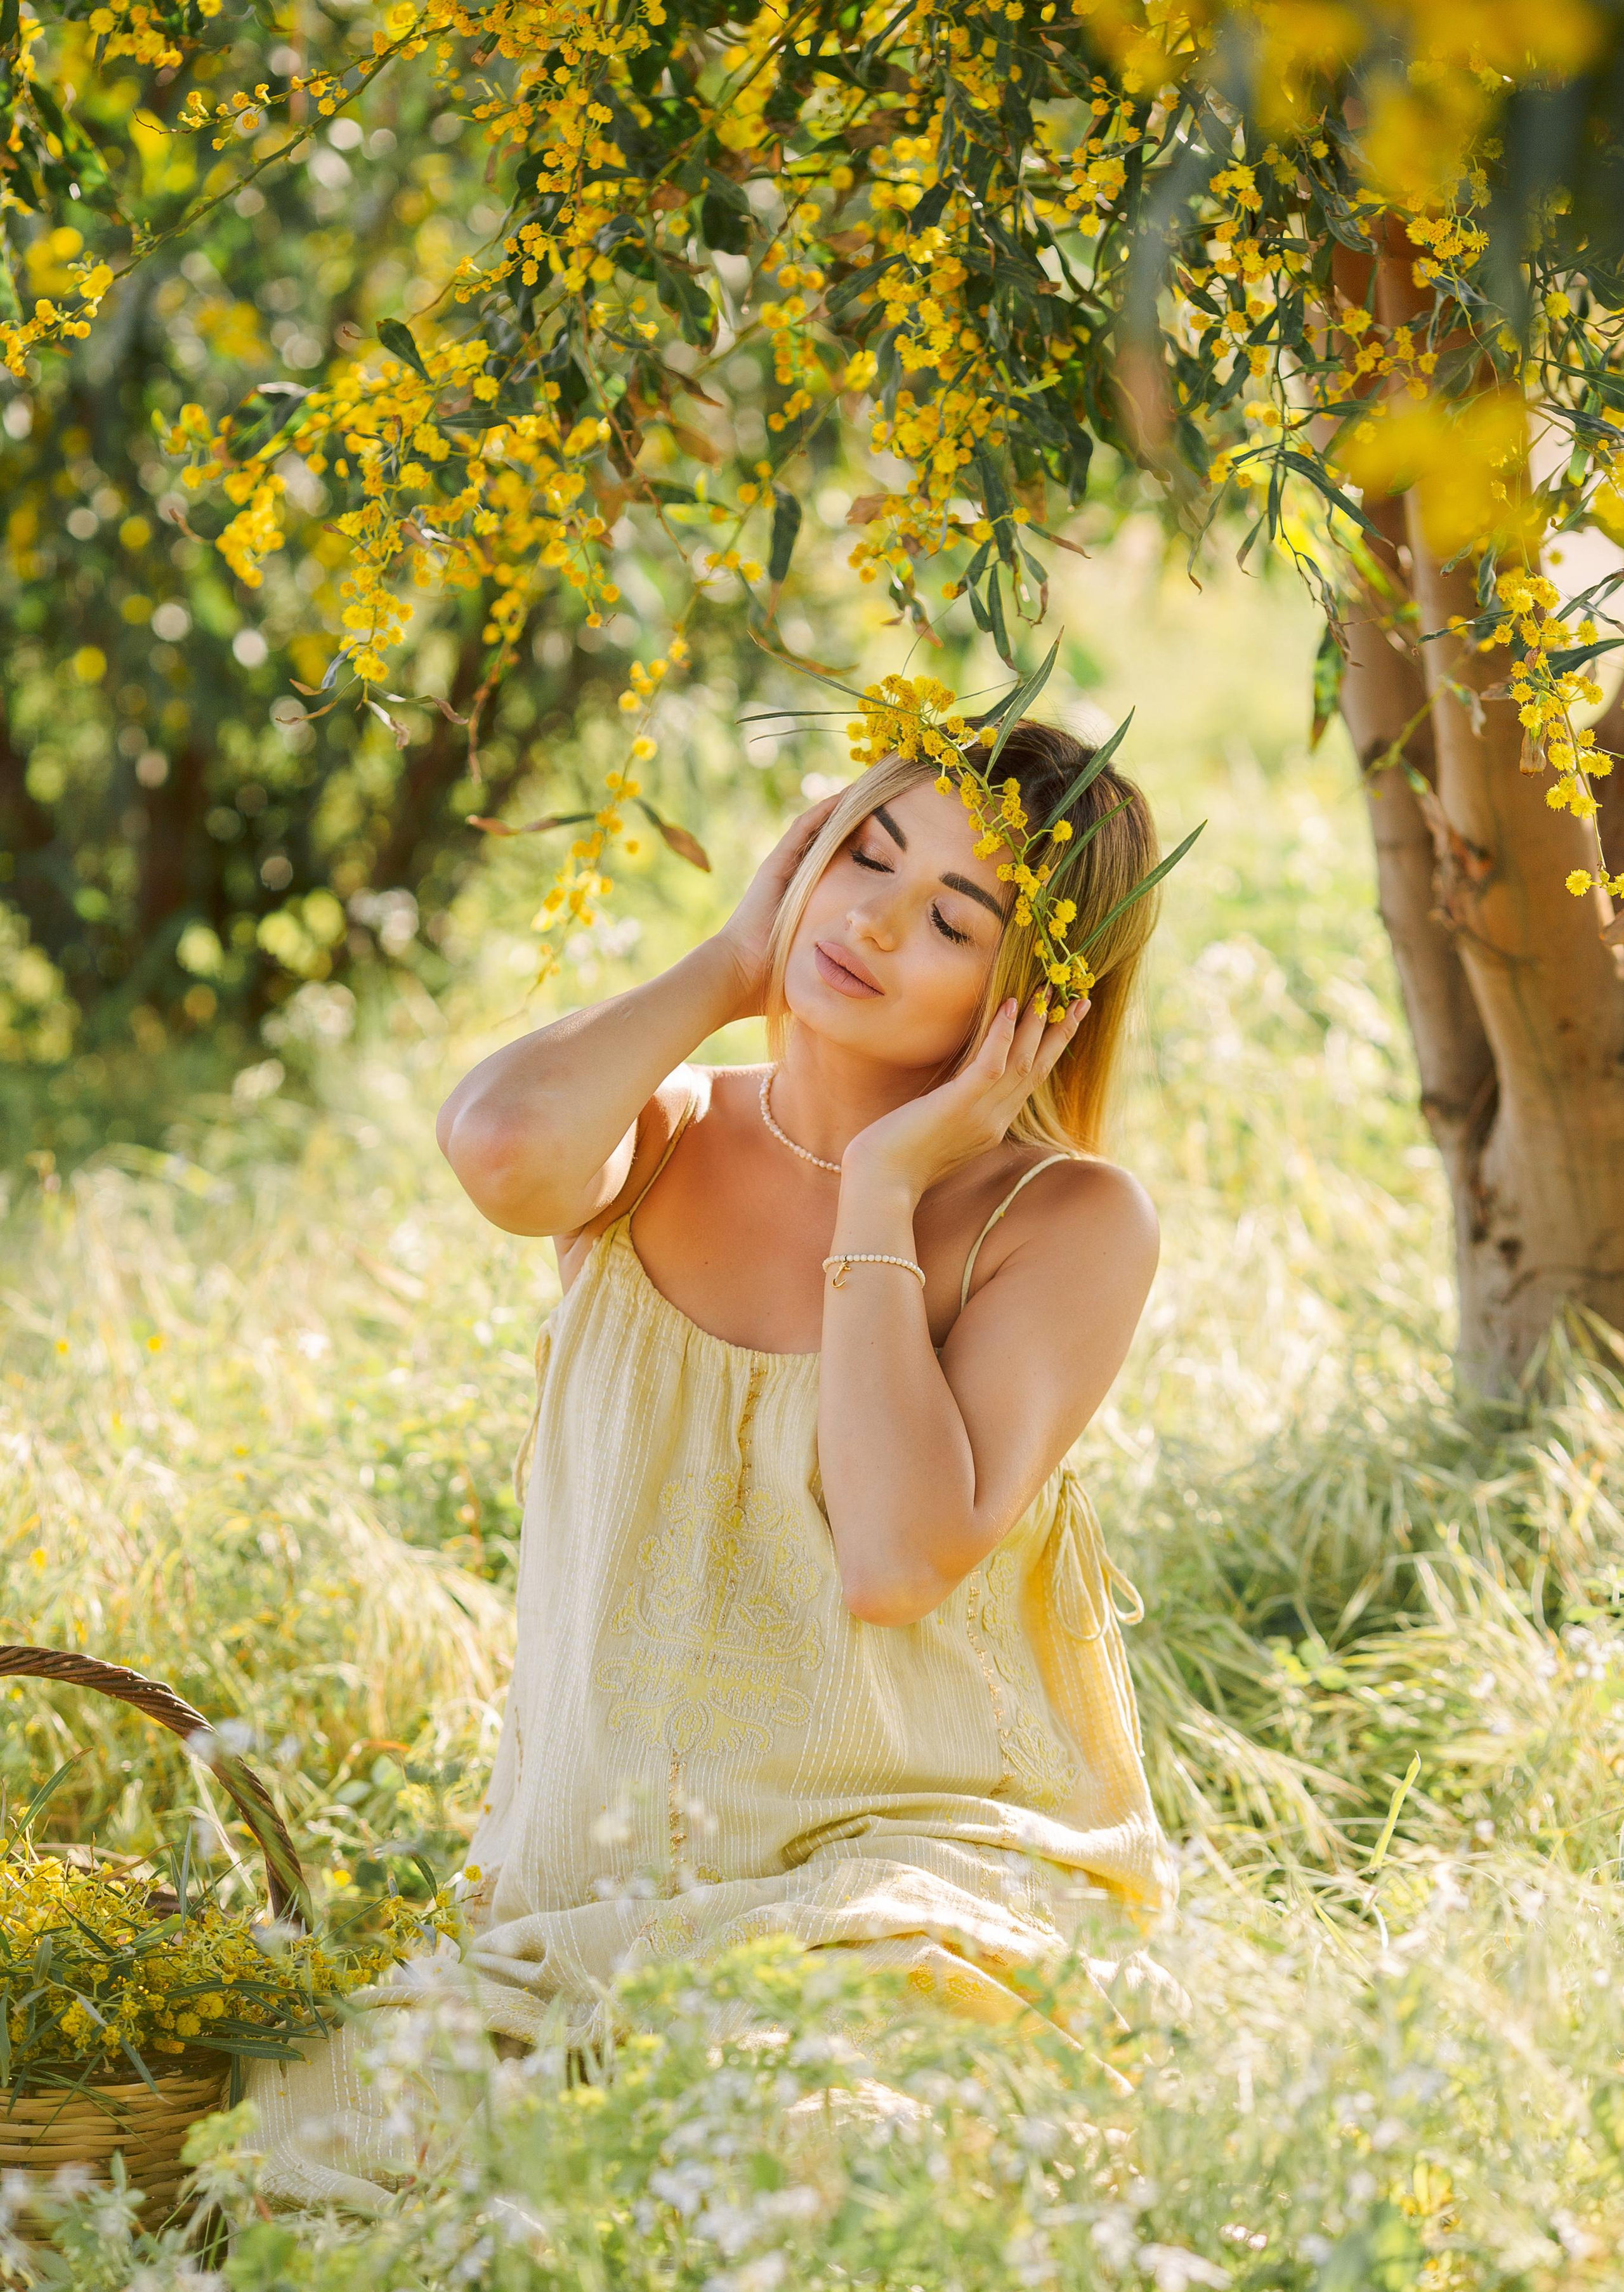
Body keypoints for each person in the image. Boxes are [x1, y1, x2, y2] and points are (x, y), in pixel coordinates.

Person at [247, 717, 1176, 2209]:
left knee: (812, 2151)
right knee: (305, 2171)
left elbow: (892, 1563)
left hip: (899, 1876)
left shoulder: (1065, 1222)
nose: (870, 918)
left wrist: (880, 1190)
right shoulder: (656, 1137)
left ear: (1032, 1003)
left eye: (951, 918)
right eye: (861, 854)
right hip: (583, 1901)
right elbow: (496, 1147)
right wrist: (730, 965)